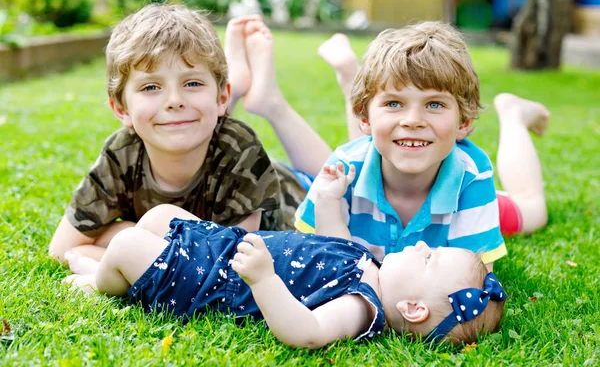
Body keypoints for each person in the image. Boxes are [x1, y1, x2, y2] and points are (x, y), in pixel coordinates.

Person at [64, 164, 507, 348]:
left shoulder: (361, 308)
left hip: (215, 280)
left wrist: (262, 280)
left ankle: (97, 278)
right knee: (160, 215)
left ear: (412, 309)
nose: (424, 245)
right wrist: (330, 197)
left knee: (124, 246)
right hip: (224, 246)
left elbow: (307, 332)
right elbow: (335, 238)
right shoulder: (371, 266)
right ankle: (116, 268)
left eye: (429, 259)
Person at [227, 20, 549, 270]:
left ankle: (513, 114)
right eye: (394, 103)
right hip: (371, 161)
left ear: (464, 123)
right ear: (363, 120)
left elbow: (472, 283)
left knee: (532, 210)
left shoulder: (472, 179)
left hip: (458, 197)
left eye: (434, 104)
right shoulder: (345, 167)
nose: (413, 119)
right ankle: (358, 84)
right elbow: (318, 262)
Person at [48, 4, 331, 263]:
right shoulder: (121, 155)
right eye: (150, 87)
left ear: (222, 98)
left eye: (192, 82)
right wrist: (138, 238)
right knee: (195, 116)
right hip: (210, 148)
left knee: (341, 178)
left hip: (299, 190)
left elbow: (225, 268)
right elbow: (62, 249)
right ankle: (232, 77)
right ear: (121, 109)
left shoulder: (240, 151)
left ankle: (268, 100)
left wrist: (129, 242)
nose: (173, 99)